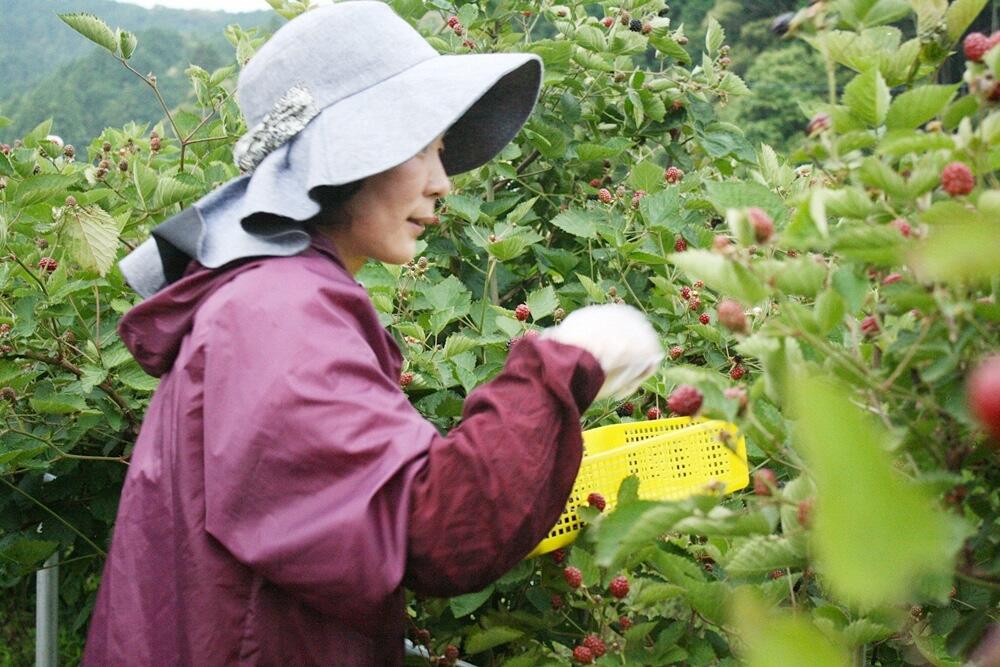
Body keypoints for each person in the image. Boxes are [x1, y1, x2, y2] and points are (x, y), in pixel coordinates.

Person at [82, 2, 663, 665]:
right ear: (348, 156)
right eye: (420, 148)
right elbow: (434, 531)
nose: (442, 183)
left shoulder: (268, 299)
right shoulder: (281, 315)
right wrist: (563, 365)